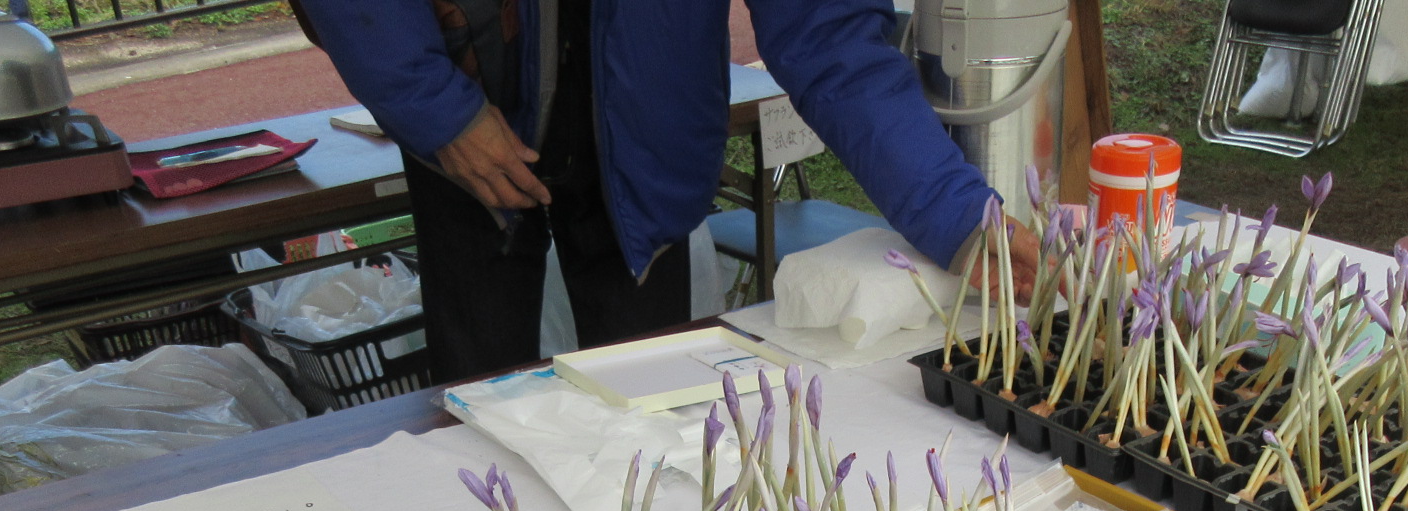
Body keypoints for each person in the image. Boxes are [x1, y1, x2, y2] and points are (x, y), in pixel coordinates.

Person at [295, 0, 1038, 382]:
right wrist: (433, 107)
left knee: (649, 417)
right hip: (469, 112)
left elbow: (830, 35)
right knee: (476, 423)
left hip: (646, 153)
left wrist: (957, 218)